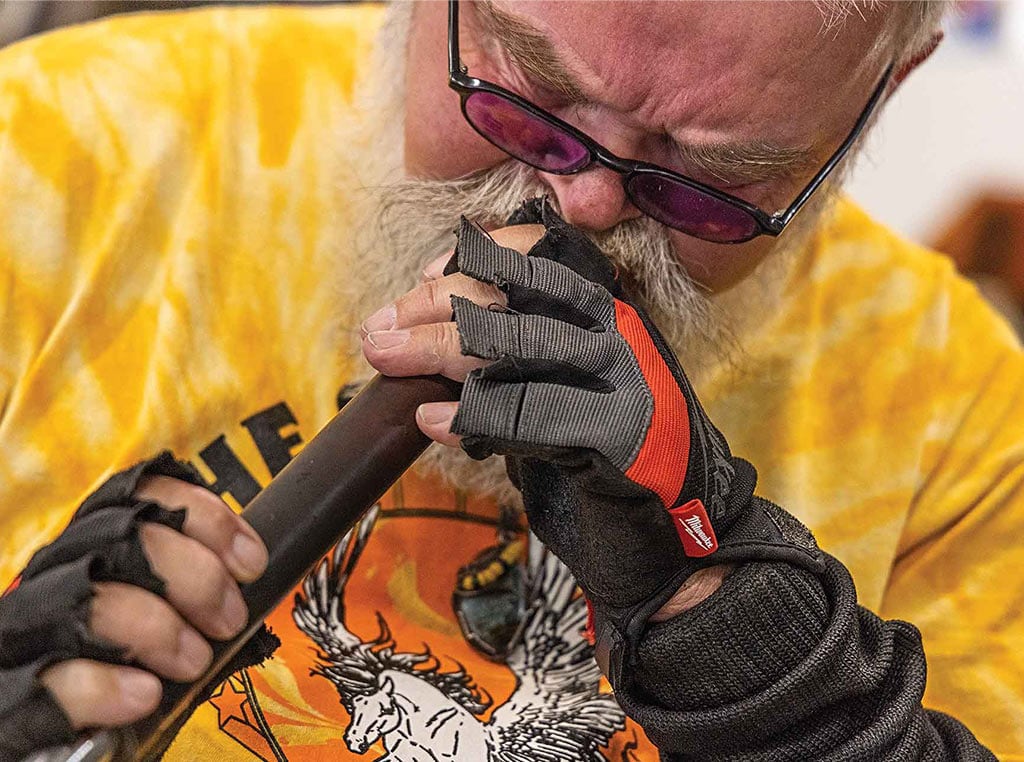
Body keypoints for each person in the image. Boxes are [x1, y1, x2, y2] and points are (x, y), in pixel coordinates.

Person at [0, 1, 1020, 759]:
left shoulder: (966, 414)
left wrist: (732, 625)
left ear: (884, 90)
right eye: (523, 93)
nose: (578, 210)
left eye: (707, 180)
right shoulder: (51, 156)